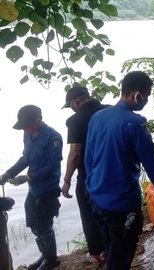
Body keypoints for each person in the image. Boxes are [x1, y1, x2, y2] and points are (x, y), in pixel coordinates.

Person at [85, 71, 154, 270]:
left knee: (111, 249)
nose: (147, 100)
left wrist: (91, 186)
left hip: (97, 199)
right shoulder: (135, 124)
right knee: (121, 257)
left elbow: (88, 159)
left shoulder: (97, 117)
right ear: (137, 95)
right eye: (147, 95)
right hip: (121, 204)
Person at [0, 105, 63, 270]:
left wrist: (27, 177)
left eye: (26, 125)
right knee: (34, 224)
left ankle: (51, 260)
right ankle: (45, 254)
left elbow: (52, 165)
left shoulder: (53, 137)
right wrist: (8, 173)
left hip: (48, 188)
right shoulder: (27, 135)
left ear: (38, 120)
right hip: (34, 189)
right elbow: (25, 158)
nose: (25, 130)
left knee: (44, 225)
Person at [61, 85, 109, 265]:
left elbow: (75, 154)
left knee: (89, 215)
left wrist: (66, 180)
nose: (71, 108)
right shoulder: (109, 110)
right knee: (110, 213)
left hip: (89, 176)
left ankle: (97, 253)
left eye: (70, 105)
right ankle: (113, 247)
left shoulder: (75, 121)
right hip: (112, 171)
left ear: (75, 101)